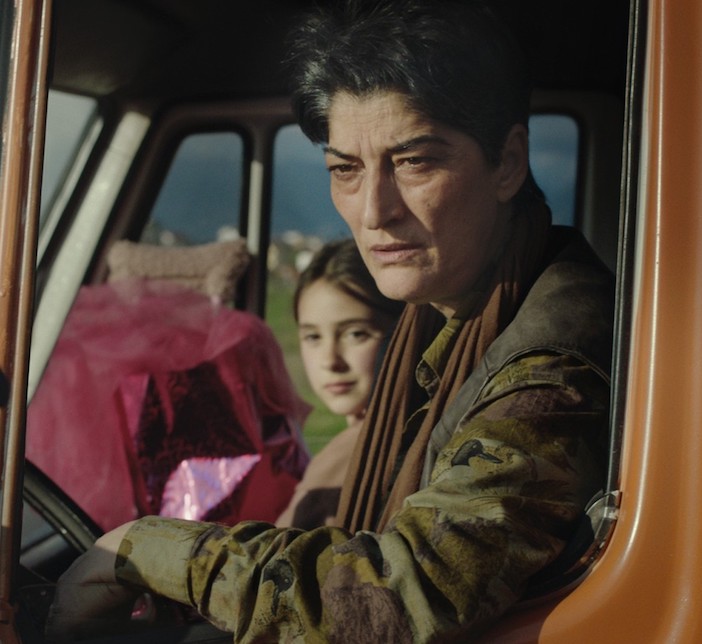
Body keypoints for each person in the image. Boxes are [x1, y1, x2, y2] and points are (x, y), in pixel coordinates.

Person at [47, 1, 615, 641]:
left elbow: (406, 592)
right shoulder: (451, 313)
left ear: (507, 163)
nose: (374, 211)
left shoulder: (552, 363)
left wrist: (141, 550)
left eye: (414, 161)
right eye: (345, 169)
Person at [275, 238, 404, 529]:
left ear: (401, 332)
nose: (330, 361)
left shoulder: (357, 449)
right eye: (313, 337)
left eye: (356, 334)